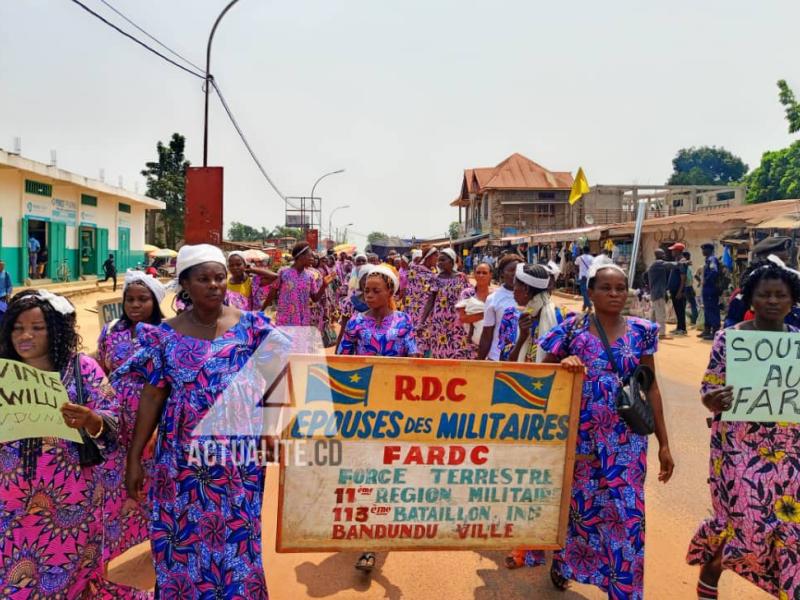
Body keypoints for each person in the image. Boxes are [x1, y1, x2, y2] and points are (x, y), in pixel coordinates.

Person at [120, 244, 281, 599]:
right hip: (179, 459)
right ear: (185, 285)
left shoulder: (254, 328)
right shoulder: (164, 334)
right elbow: (153, 396)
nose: (214, 285)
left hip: (237, 455)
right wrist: (134, 458)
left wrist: (271, 428)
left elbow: (278, 375)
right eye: (204, 279)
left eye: (219, 278)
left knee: (237, 535)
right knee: (181, 535)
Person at [537, 261, 674, 597]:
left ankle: (624, 588)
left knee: (627, 514)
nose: (614, 294)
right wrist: (565, 364)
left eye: (620, 288)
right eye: (606, 288)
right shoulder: (572, 330)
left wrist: (664, 443)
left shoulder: (642, 331)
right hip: (581, 438)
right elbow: (542, 373)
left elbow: (651, 387)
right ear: (590, 291)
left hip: (626, 441)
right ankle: (564, 562)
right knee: (581, 510)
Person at [0, 290, 148, 599]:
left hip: (70, 502)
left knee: (64, 570)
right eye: (18, 327)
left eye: (37, 328)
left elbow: (112, 420)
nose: (26, 335)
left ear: (55, 329)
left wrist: (90, 419)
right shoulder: (3, 372)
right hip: (10, 499)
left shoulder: (81, 370)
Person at [687, 261, 800, 600]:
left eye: (781, 295)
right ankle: (712, 571)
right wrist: (714, 399)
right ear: (750, 299)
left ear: (792, 301)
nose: (772, 301)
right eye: (764, 294)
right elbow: (708, 390)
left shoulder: (797, 343)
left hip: (790, 448)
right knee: (746, 522)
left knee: (789, 526)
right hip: (738, 447)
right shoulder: (729, 339)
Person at [337, 264, 419, 572]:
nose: (369, 296)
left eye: (375, 290)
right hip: (363, 406)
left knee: (389, 465)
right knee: (367, 467)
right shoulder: (356, 323)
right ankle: (369, 537)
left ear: (390, 292)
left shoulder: (404, 321)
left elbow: (413, 357)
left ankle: (381, 524)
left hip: (396, 405)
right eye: (365, 291)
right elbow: (342, 361)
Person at [97, 270, 166, 563]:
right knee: (114, 476)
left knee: (152, 478)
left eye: (143, 299)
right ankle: (113, 545)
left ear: (155, 301)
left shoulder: (166, 333)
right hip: (115, 418)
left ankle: (160, 542)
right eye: (130, 299)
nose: (135, 305)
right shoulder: (111, 330)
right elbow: (101, 365)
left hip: (151, 417)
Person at [724, 236, 793, 328]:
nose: (783, 266)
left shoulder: (793, 295)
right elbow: (731, 331)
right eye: (779, 261)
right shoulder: (743, 297)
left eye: (786, 261)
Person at [419, 248, 475, 359]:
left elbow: (469, 298)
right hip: (439, 322)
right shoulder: (436, 278)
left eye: (442, 260)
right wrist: (422, 321)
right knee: (441, 349)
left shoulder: (461, 277)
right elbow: (431, 301)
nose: (439, 263)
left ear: (451, 261)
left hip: (457, 320)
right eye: (438, 260)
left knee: (458, 347)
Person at [267, 241, 329, 327]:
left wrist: (324, 286)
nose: (312, 258)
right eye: (310, 255)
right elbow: (272, 292)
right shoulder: (283, 273)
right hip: (285, 321)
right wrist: (262, 310)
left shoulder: (310, 276)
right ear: (300, 256)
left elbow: (315, 298)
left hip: (303, 321)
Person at [477, 253, 523, 360]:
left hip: (523, 359)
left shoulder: (530, 296)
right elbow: (487, 334)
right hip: (497, 358)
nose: (515, 274)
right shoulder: (494, 299)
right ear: (502, 273)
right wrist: (479, 362)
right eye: (512, 271)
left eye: (519, 271)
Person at [404, 245, 439, 353]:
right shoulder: (430, 275)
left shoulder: (413, 270)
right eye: (436, 256)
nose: (437, 258)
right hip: (423, 313)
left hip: (413, 312)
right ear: (429, 257)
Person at [456, 262, 492, 353]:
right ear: (474, 274)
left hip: (492, 345)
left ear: (490, 275)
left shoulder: (495, 295)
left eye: (484, 273)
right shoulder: (467, 293)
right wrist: (488, 314)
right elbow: (463, 318)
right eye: (478, 272)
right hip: (470, 345)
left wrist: (475, 316)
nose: (481, 275)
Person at [647, 248, 674, 340]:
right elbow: (670, 265)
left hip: (655, 292)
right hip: (658, 293)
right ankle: (662, 334)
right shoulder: (658, 263)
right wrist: (681, 263)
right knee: (661, 314)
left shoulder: (653, 265)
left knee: (653, 315)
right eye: (663, 254)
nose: (664, 256)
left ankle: (650, 332)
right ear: (659, 255)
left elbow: (644, 277)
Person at [700, 243, 722, 340]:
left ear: (709, 250)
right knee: (707, 310)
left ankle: (715, 332)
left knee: (712, 310)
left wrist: (706, 279)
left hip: (711, 289)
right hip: (707, 289)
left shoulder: (712, 259)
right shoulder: (708, 260)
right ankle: (707, 330)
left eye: (704, 249)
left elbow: (714, 271)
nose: (702, 251)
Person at [667, 242, 688, 335]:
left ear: (678, 251)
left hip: (678, 290)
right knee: (677, 309)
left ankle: (682, 329)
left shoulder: (682, 261)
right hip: (674, 289)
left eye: (673, 250)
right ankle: (679, 327)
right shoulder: (677, 261)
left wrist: (680, 291)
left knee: (680, 309)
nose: (672, 252)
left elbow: (683, 278)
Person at [575, 246, 594, 311]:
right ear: (589, 251)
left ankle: (589, 305)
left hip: (582, 276)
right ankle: (585, 305)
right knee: (586, 292)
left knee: (584, 292)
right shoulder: (592, 258)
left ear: (583, 251)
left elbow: (576, 264)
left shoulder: (579, 258)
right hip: (590, 276)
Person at [683, 251, 699, 326]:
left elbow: (688, 278)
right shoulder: (689, 267)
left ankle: (692, 319)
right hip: (689, 287)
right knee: (693, 304)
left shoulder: (685, 267)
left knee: (687, 304)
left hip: (686, 287)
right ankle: (693, 319)